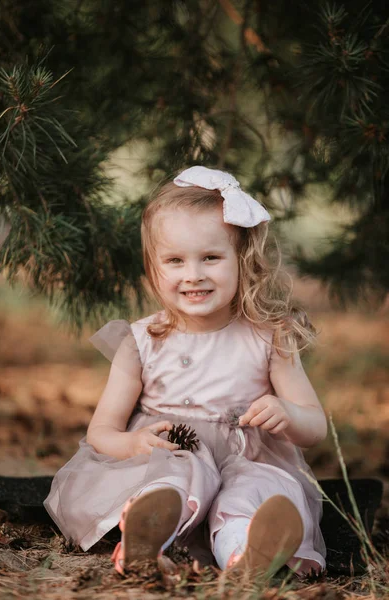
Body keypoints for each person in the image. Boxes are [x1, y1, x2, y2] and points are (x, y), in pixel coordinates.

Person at [44, 166, 327, 578]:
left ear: (241, 260)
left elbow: (315, 426)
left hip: (245, 461)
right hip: (170, 456)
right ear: (153, 268)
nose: (193, 274)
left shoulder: (270, 338)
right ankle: (144, 538)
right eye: (175, 261)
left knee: (255, 491)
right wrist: (133, 445)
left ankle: (244, 556)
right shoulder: (140, 341)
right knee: (177, 474)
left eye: (210, 257)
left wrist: (289, 413)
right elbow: (100, 432)